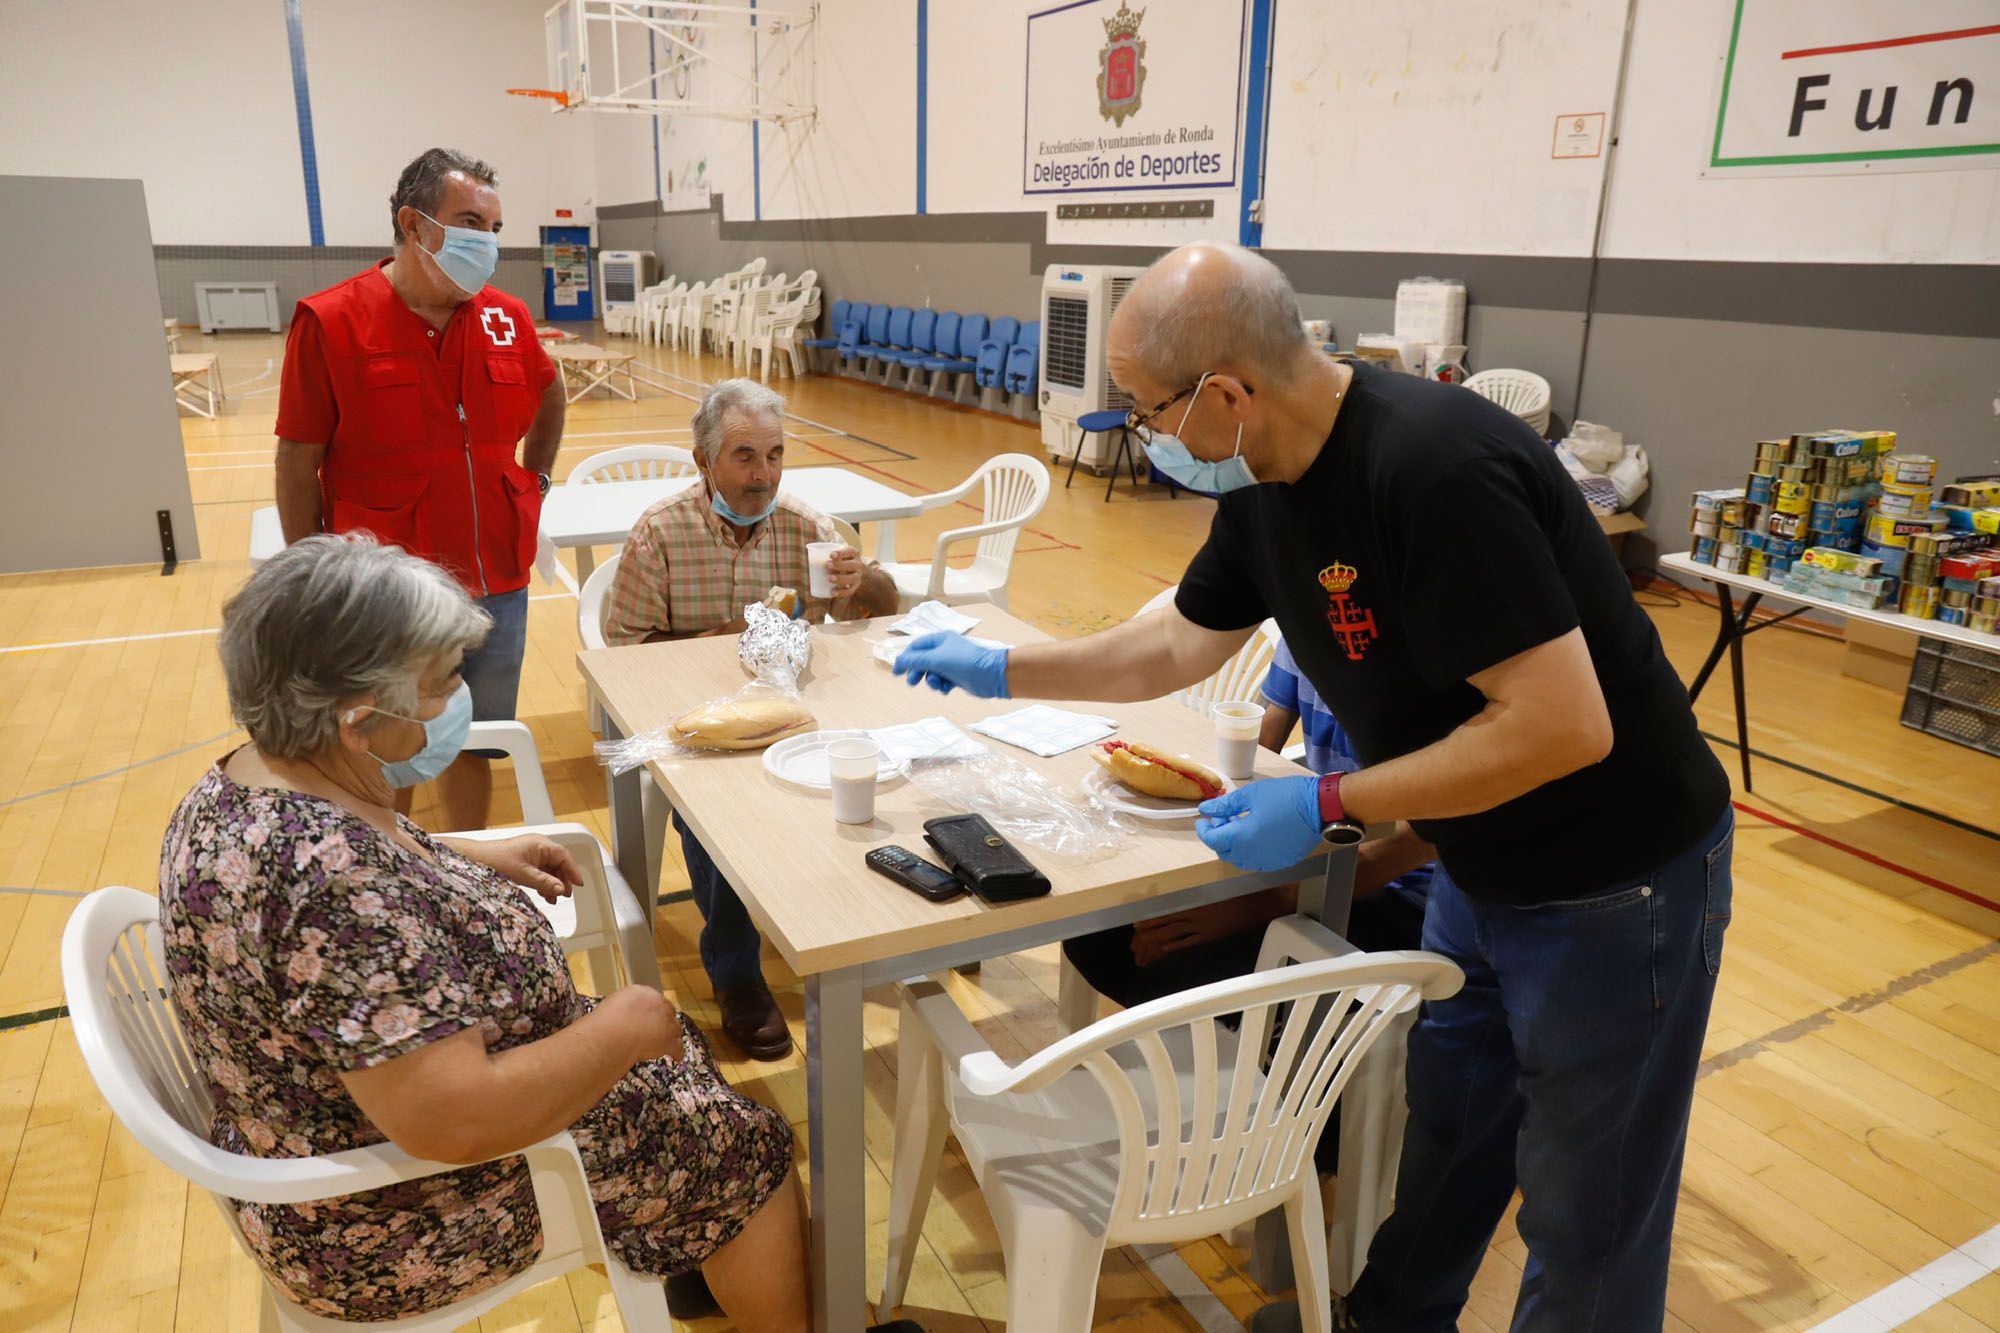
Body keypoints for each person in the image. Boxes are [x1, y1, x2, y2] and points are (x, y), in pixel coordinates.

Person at [893, 241, 1735, 1332]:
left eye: (1148, 410)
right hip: (1477, 857)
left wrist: (1332, 803)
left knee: (1589, 1208)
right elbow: (1172, 645)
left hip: (1613, 879)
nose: (1145, 434)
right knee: (1450, 1128)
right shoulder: (1265, 481)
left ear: (1227, 394)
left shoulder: (1433, 470)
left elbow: (1562, 725)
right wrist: (1003, 666)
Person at [160, 534, 803, 1327]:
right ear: (358, 719)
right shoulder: (333, 886)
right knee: (749, 1147)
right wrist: (628, 1022)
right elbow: (455, 1119)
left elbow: (357, 875)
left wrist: (458, 854)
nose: (455, 698)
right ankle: (740, 1246)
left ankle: (703, 1249)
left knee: (684, 1065)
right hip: (390, 1210)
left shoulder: (252, 781)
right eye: (440, 682)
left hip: (322, 1133)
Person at [273, 147, 564, 833]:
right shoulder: (332, 320)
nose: (487, 243)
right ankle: (392, 869)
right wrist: (316, 578)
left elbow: (551, 393)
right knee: (385, 749)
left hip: (497, 577)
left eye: (495, 228)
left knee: (479, 738)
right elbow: (296, 461)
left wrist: (534, 481)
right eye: (470, 223)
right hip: (388, 594)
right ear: (413, 224)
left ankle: (464, 867)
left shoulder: (505, 316)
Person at [603, 377, 894, 1059]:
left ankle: (865, 926)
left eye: (775, 454)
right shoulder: (660, 532)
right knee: (717, 820)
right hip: (697, 722)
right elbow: (624, 650)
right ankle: (735, 972)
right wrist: (725, 637)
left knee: (876, 770)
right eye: (744, 456)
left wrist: (863, 581)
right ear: (703, 461)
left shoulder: (804, 524)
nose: (763, 475)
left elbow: (883, 607)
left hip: (793, 712)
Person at [1062, 636, 1434, 1010]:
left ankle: (1278, 1041)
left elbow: (1426, 836)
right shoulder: (1308, 617)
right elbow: (1257, 745)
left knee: (1167, 976)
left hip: (1408, 896)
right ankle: (1222, 1036)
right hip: (1317, 858)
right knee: (1095, 937)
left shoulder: (1430, 644)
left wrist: (1271, 900)